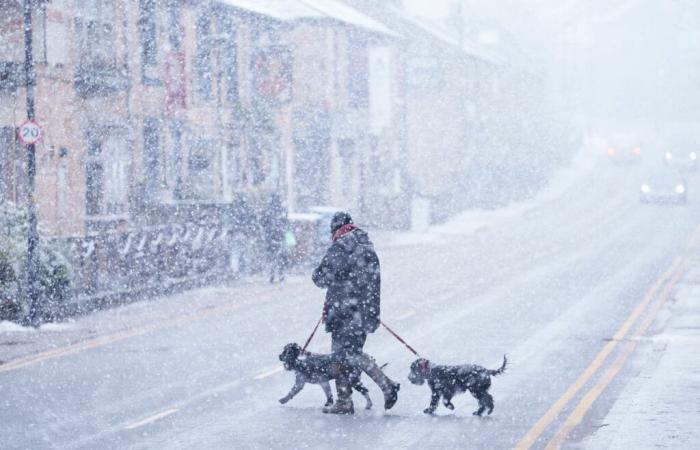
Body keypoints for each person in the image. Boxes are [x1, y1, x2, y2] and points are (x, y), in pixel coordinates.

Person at [312, 211, 400, 414]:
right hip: (364, 312)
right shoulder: (367, 247)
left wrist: (322, 276)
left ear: (335, 229)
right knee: (346, 356)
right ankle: (345, 401)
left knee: (344, 355)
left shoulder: (340, 247)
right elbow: (372, 282)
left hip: (344, 312)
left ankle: (385, 385)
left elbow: (320, 278)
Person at [261, 194, 288, 283]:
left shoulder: (268, 211)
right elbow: (286, 223)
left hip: (270, 238)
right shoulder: (282, 210)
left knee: (272, 257)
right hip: (280, 237)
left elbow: (263, 223)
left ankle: (272, 275)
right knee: (281, 258)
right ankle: (281, 275)